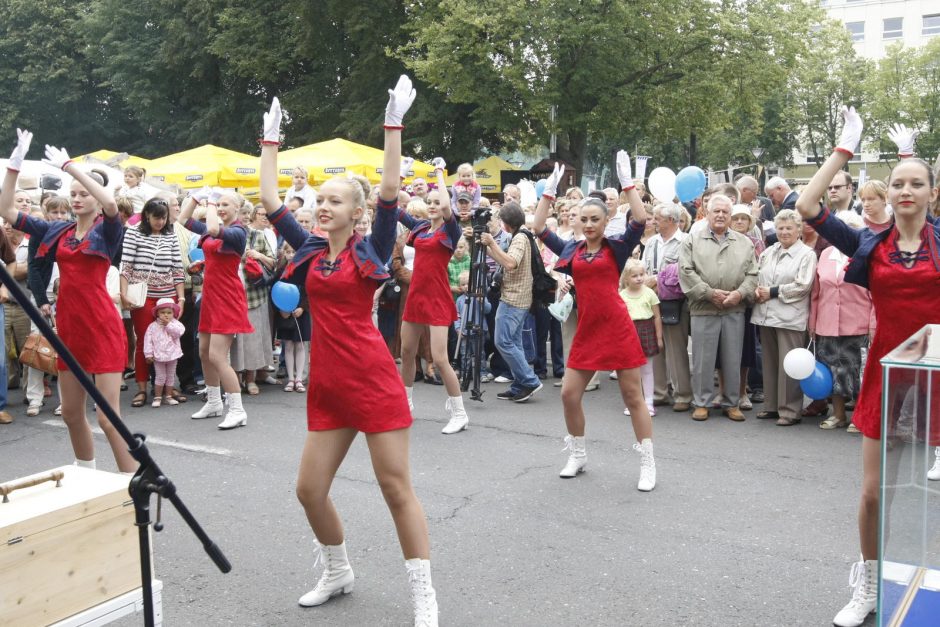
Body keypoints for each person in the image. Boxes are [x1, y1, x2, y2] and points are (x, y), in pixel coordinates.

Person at [260, 80, 438, 625]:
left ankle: (423, 594)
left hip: (372, 380)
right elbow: (270, 201)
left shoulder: (373, 246)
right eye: (319, 201)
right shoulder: (310, 248)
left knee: (395, 488)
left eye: (333, 201)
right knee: (309, 490)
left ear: (356, 213)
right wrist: (269, 143)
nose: (321, 208)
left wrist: (392, 126)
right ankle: (338, 572)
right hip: (328, 385)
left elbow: (388, 190)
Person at [794, 108, 939, 627]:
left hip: (938, 376)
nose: (905, 191)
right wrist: (843, 150)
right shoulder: (868, 243)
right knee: (874, 492)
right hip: (886, 373)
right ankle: (870, 584)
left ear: (930, 193)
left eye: (916, 184)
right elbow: (808, 204)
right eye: (898, 182)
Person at [1, 131, 136, 472]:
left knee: (109, 420)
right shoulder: (56, 230)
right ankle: (86, 476)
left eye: (83, 193)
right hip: (69, 328)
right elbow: (5, 209)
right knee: (72, 414)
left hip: (102, 325)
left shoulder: (107, 230)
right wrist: (14, 165)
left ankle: (130, 484)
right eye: (72, 193)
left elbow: (109, 205)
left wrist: (70, 166)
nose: (77, 198)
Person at [534, 153, 656, 491]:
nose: (588, 224)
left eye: (594, 219)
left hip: (617, 327)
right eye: (583, 219)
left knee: (633, 398)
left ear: (605, 222)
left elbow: (641, 219)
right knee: (570, 395)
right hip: (587, 330)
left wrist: (628, 183)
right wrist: (548, 191)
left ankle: (647, 462)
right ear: (576, 222)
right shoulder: (571, 251)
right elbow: (539, 228)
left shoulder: (616, 248)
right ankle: (578, 453)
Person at [396, 160, 471, 434]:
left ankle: (460, 413)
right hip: (416, 295)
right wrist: (402, 175)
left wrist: (439, 174)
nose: (432, 205)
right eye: (429, 200)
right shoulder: (419, 228)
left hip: (438, 296)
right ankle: (406, 404)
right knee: (406, 351)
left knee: (440, 358)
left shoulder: (450, 231)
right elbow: (392, 205)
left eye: (437, 201)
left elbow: (450, 209)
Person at [178, 186, 253, 430]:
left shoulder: (239, 231)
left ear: (237, 209)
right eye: (218, 205)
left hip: (227, 298)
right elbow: (183, 219)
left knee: (218, 357)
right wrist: (196, 197)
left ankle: (237, 410)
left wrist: (210, 203)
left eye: (224, 205)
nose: (220, 208)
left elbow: (211, 227)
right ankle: (213, 402)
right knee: (203, 353)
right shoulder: (214, 230)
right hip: (210, 296)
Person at [678, 194, 759, 422]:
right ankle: (701, 402)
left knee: (733, 358)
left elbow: (753, 274)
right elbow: (685, 271)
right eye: (717, 211)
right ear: (707, 213)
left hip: (734, 308)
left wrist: (739, 294)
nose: (721, 215)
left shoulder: (744, 243)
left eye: (725, 212)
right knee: (703, 359)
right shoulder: (692, 240)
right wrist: (709, 293)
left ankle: (731, 403)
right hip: (704, 308)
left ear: (730, 215)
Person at [809, 211, 875, 431]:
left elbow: (876, 293)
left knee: (857, 372)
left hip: (857, 322)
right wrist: (813, 322)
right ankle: (838, 415)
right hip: (827, 323)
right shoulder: (826, 254)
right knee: (832, 370)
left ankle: (859, 416)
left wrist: (874, 324)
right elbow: (817, 292)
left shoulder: (865, 254)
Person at [750, 209, 816, 425]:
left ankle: (789, 410)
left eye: (789, 227)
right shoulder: (769, 251)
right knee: (770, 363)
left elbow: (803, 286)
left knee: (789, 365)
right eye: (780, 228)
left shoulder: (807, 254)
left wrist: (773, 292)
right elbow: (758, 274)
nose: (784, 231)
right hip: (766, 314)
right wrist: (758, 291)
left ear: (799, 230)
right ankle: (771, 406)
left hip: (790, 316)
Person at [120, 198, 185, 408]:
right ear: (147, 215)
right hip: (142, 294)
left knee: (170, 339)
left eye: (163, 217)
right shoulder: (133, 233)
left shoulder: (171, 236)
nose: (160, 221)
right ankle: (141, 388)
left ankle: (167, 386)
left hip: (167, 295)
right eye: (156, 217)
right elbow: (126, 265)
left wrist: (181, 297)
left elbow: (177, 269)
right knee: (144, 340)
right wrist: (123, 293)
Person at [480, 201, 542, 402]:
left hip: (514, 298)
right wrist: (485, 246)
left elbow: (509, 263)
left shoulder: (519, 239)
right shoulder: (524, 235)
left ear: (507, 223)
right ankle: (519, 385)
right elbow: (505, 259)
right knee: (514, 343)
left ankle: (530, 380)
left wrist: (491, 243)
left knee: (503, 341)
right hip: (521, 297)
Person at [641, 202, 692, 412]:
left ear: (671, 221)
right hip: (652, 299)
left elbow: (686, 271)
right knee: (655, 346)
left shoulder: (686, 242)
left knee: (676, 347)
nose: (653, 222)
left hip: (675, 301)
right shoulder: (652, 242)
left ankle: (683, 394)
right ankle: (659, 391)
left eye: (657, 219)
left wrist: (655, 279)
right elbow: (643, 266)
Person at [619, 258, 663, 418]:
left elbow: (657, 316)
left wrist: (659, 337)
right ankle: (632, 402)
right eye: (634, 275)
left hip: (646, 330)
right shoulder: (622, 295)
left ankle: (649, 402)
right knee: (631, 372)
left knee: (647, 369)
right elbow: (618, 319)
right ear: (626, 278)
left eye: (641, 274)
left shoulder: (649, 293)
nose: (639, 278)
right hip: (628, 333)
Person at [275, 243, 310, 392]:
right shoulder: (281, 271)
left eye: (294, 251)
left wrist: (303, 307)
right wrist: (282, 309)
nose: (291, 255)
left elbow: (309, 291)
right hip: (285, 313)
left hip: (301, 313)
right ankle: (290, 378)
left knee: (301, 345)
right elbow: (276, 291)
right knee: (288, 345)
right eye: (288, 252)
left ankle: (299, 379)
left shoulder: (305, 270)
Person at [143, 298, 185, 408]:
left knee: (171, 376)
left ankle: (169, 396)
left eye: (169, 313)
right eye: (162, 312)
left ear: (173, 313)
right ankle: (157, 397)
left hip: (172, 355)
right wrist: (148, 354)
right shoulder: (152, 326)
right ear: (157, 313)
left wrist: (168, 325)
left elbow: (178, 333)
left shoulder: (176, 324)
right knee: (160, 377)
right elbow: (148, 341)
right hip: (158, 356)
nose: (166, 315)